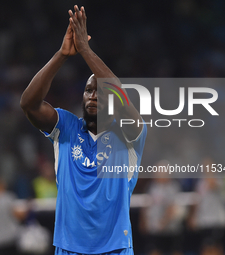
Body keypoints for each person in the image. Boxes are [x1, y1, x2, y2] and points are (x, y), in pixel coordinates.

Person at [20, 5, 147, 255]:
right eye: (89, 90)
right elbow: (29, 104)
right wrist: (62, 55)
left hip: (115, 248)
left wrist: (85, 50)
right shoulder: (65, 127)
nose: (93, 96)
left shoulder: (130, 134)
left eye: (100, 91)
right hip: (69, 247)